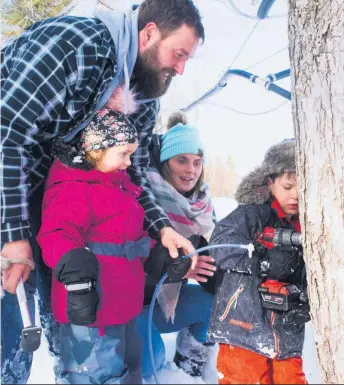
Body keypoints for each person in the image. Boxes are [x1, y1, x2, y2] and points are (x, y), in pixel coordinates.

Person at [0, 1, 204, 383]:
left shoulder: (143, 98)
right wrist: (12, 234)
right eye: (178, 54)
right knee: (9, 328)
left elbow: (134, 175)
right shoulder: (76, 45)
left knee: (71, 333)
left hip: (50, 206)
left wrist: (161, 228)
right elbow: (6, 129)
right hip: (7, 188)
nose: (180, 68)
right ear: (149, 33)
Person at [36, 97, 152, 384]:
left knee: (127, 371)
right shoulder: (74, 187)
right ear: (97, 149)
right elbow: (56, 233)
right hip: (91, 307)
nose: (128, 162)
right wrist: (75, 277)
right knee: (97, 374)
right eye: (123, 154)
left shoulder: (119, 186)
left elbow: (125, 234)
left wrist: (154, 251)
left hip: (122, 302)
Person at [207, 139, 310, 384]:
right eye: (287, 186)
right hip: (243, 325)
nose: (295, 194)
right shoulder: (251, 214)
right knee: (244, 379)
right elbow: (220, 245)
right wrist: (262, 261)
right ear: (269, 182)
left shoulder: (310, 222)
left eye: (302, 187)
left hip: (286, 330)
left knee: (290, 380)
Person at [136, 112, 218, 380]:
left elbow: (210, 268)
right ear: (165, 162)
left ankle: (190, 368)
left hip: (164, 304)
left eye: (196, 162)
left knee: (213, 306)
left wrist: (220, 270)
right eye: (181, 160)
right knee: (151, 363)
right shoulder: (143, 197)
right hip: (132, 306)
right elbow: (129, 265)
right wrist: (177, 271)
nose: (190, 170)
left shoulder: (202, 207)